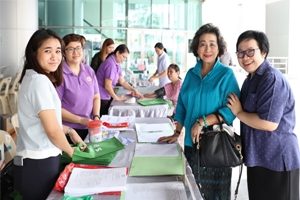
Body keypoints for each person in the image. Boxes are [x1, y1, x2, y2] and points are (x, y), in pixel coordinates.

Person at [157, 23, 240, 200]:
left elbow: (232, 110)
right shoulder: (191, 74)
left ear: (219, 48)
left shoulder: (226, 75)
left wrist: (202, 121)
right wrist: (177, 131)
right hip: (191, 145)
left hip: (216, 147)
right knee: (193, 192)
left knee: (215, 195)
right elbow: (182, 106)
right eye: (203, 44)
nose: (207, 48)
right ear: (196, 48)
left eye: (212, 44)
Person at [13, 29, 87, 200]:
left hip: (40, 160)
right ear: (34, 52)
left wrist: (70, 131)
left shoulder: (35, 77)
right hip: (38, 163)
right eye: (48, 51)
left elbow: (47, 122)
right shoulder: (38, 81)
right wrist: (71, 152)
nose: (55, 56)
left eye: (58, 51)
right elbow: (52, 131)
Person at [227, 30, 300, 200]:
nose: (245, 57)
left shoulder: (272, 78)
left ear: (264, 52)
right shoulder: (250, 80)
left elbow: (269, 123)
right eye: (241, 53)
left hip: (277, 160)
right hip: (256, 157)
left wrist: (238, 112)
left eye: (250, 51)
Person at [56, 33, 100, 143]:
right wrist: (80, 120)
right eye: (70, 49)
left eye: (78, 48)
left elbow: (96, 96)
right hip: (68, 131)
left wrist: (96, 116)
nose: (76, 52)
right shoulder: (59, 75)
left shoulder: (89, 70)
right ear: (64, 52)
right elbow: (55, 108)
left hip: (89, 127)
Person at [96, 44, 143, 116]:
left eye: (125, 58)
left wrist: (133, 89)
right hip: (101, 97)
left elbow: (122, 81)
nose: (124, 59)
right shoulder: (110, 64)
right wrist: (117, 98)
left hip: (106, 95)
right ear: (117, 53)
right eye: (123, 57)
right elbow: (107, 86)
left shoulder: (117, 63)